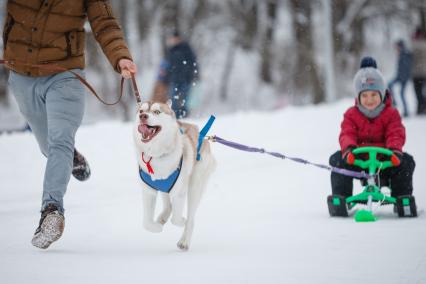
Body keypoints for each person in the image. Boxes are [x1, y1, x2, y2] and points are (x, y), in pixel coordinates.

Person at [2, 0, 137, 249]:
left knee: (59, 141)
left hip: (65, 73)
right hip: (22, 74)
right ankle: (71, 158)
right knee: (49, 143)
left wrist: (121, 57)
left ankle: (51, 211)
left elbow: (105, 23)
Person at [329, 57, 415, 210]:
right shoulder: (351, 114)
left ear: (382, 94)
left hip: (385, 161)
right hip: (359, 161)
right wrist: (349, 149)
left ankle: (402, 199)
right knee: (337, 160)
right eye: (365, 96)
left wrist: (394, 150)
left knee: (406, 162)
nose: (369, 100)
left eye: (374, 95)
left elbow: (395, 132)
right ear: (358, 97)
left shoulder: (391, 114)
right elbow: (347, 133)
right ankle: (341, 199)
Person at [155, 29, 198, 118]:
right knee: (173, 99)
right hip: (174, 79)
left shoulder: (186, 48)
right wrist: (165, 78)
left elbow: (193, 63)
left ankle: (184, 116)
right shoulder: (171, 51)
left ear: (179, 39)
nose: (174, 40)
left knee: (184, 99)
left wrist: (193, 74)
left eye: (176, 39)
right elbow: (167, 66)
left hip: (186, 78)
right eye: (173, 39)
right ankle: (175, 117)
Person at [388, 40, 412, 117]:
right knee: (390, 85)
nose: (396, 48)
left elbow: (406, 68)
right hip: (400, 76)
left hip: (403, 78)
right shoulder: (402, 54)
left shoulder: (404, 54)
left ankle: (406, 110)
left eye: (397, 46)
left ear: (400, 46)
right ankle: (394, 101)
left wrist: (402, 78)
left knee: (401, 93)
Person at [411, 26, 426, 115]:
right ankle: (422, 107)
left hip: (417, 73)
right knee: (421, 91)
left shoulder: (415, 45)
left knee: (418, 92)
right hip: (424, 72)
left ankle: (421, 107)